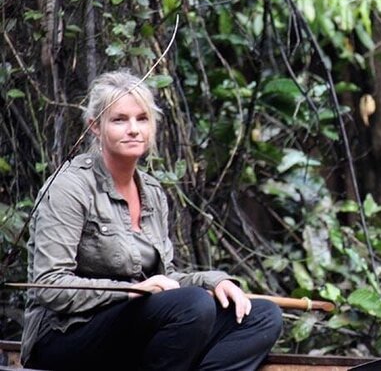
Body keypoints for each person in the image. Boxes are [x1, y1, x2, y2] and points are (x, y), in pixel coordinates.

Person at [22, 70, 283, 370]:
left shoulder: (153, 192)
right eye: (119, 119)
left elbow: (165, 280)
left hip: (133, 326)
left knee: (262, 316)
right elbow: (49, 285)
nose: (133, 129)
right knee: (192, 306)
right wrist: (132, 291)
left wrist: (216, 280)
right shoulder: (69, 188)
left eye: (142, 119)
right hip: (65, 334)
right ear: (95, 126)